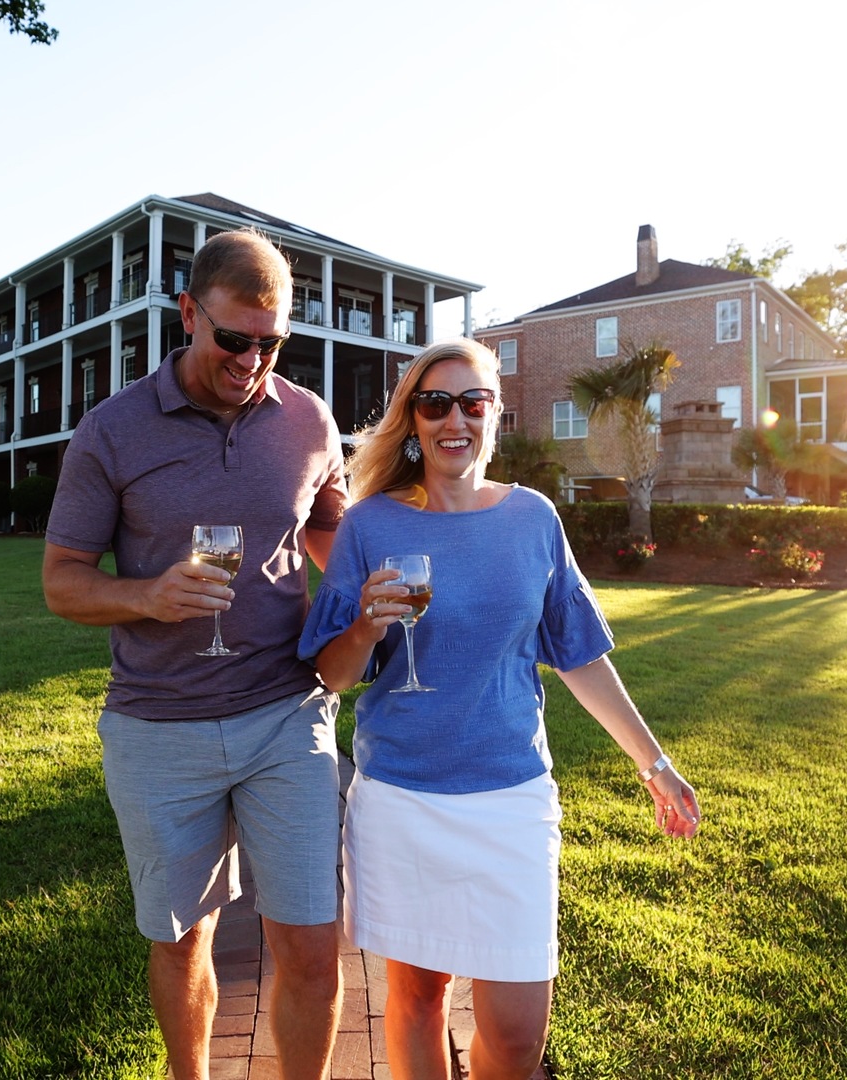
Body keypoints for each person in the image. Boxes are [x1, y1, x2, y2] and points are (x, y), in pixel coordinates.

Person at [299, 339, 701, 1079]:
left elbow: (578, 653)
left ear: (495, 414)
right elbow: (330, 677)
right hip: (402, 798)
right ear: (413, 422)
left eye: (472, 402)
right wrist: (363, 625)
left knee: (517, 1037)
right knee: (418, 999)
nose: (455, 419)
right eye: (434, 403)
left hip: (511, 799)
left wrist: (656, 763)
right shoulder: (370, 525)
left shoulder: (533, 518)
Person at [43, 228, 348, 1080]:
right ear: (187, 314)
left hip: (286, 713)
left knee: (313, 943)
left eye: (272, 341)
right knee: (183, 943)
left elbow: (327, 530)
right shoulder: (112, 431)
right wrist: (145, 595)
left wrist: (373, 577)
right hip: (158, 726)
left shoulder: (308, 420)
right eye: (234, 339)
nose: (254, 359)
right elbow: (62, 582)